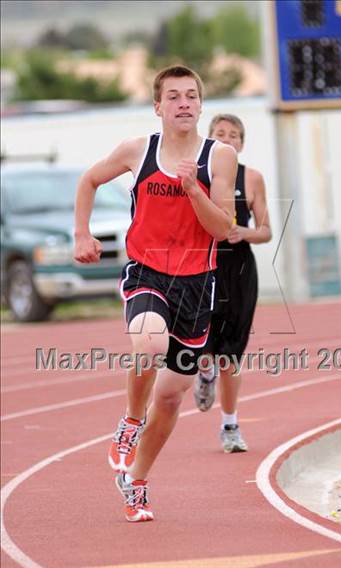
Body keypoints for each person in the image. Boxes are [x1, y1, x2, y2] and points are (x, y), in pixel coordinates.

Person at [74, 65, 237, 522]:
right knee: (148, 345)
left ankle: (136, 482)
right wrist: (81, 235)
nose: (183, 103)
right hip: (147, 272)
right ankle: (129, 419)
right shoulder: (137, 150)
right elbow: (88, 180)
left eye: (191, 96)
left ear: (201, 105)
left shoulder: (218, 157)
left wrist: (192, 189)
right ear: (158, 107)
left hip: (196, 283)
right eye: (174, 96)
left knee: (170, 398)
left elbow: (222, 228)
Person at [194, 114, 271, 453]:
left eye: (234, 135)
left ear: (242, 143)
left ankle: (230, 425)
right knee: (201, 345)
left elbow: (266, 231)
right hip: (201, 265)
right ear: (208, 138)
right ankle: (204, 374)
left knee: (231, 356)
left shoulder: (252, 178)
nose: (227, 139)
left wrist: (244, 233)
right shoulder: (197, 175)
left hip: (238, 270)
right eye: (220, 133)